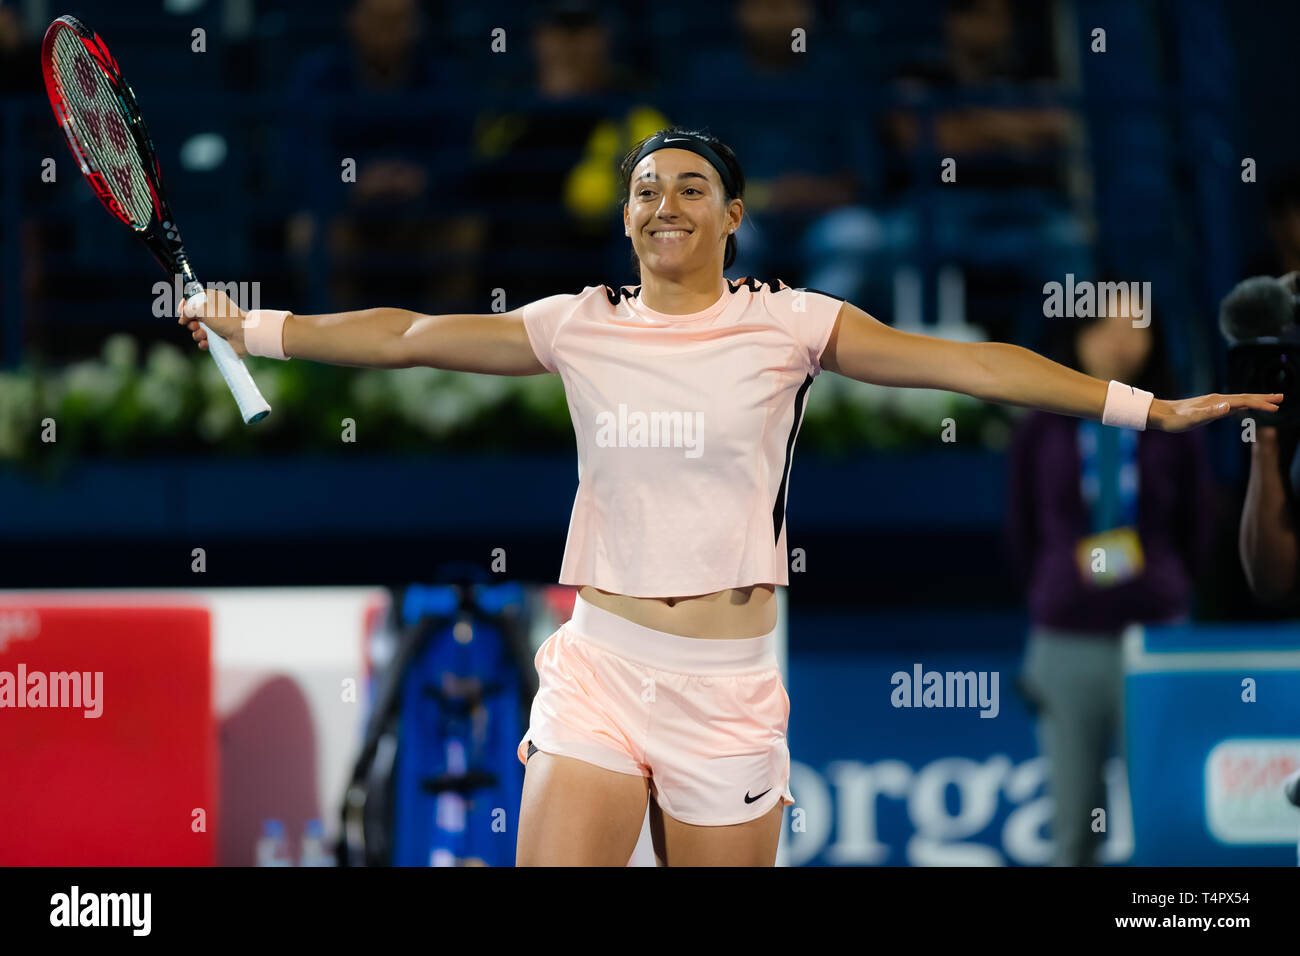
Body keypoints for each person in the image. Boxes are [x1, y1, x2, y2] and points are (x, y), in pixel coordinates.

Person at [181, 127, 1282, 866]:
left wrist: (1145, 408)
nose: (665, 202)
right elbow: (408, 338)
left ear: (733, 215)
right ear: (625, 219)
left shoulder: (789, 323)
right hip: (601, 668)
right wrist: (255, 326)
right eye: (646, 188)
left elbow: (976, 367)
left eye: (690, 187)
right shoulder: (578, 322)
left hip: (729, 689)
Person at [1005, 296, 1216, 866]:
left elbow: (1198, 529)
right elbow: (1024, 528)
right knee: (1074, 825)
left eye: (1135, 327)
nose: (1119, 341)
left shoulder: (1176, 422)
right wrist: (1060, 585)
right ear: (1076, 333)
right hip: (1066, 639)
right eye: (1104, 326)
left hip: (1154, 638)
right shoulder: (1040, 423)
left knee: (1165, 813)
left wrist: (1162, 586)